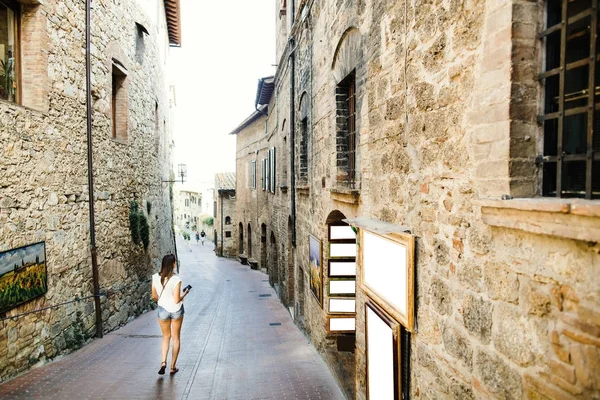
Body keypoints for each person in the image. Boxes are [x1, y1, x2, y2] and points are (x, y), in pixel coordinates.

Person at [151, 254, 190, 375]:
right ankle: (173, 366)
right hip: (176, 311)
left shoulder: (155, 277)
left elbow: (154, 297)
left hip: (163, 310)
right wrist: (185, 294)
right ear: (173, 264)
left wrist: (162, 302)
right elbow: (177, 300)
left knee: (165, 337)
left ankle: (163, 362)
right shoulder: (176, 279)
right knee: (176, 338)